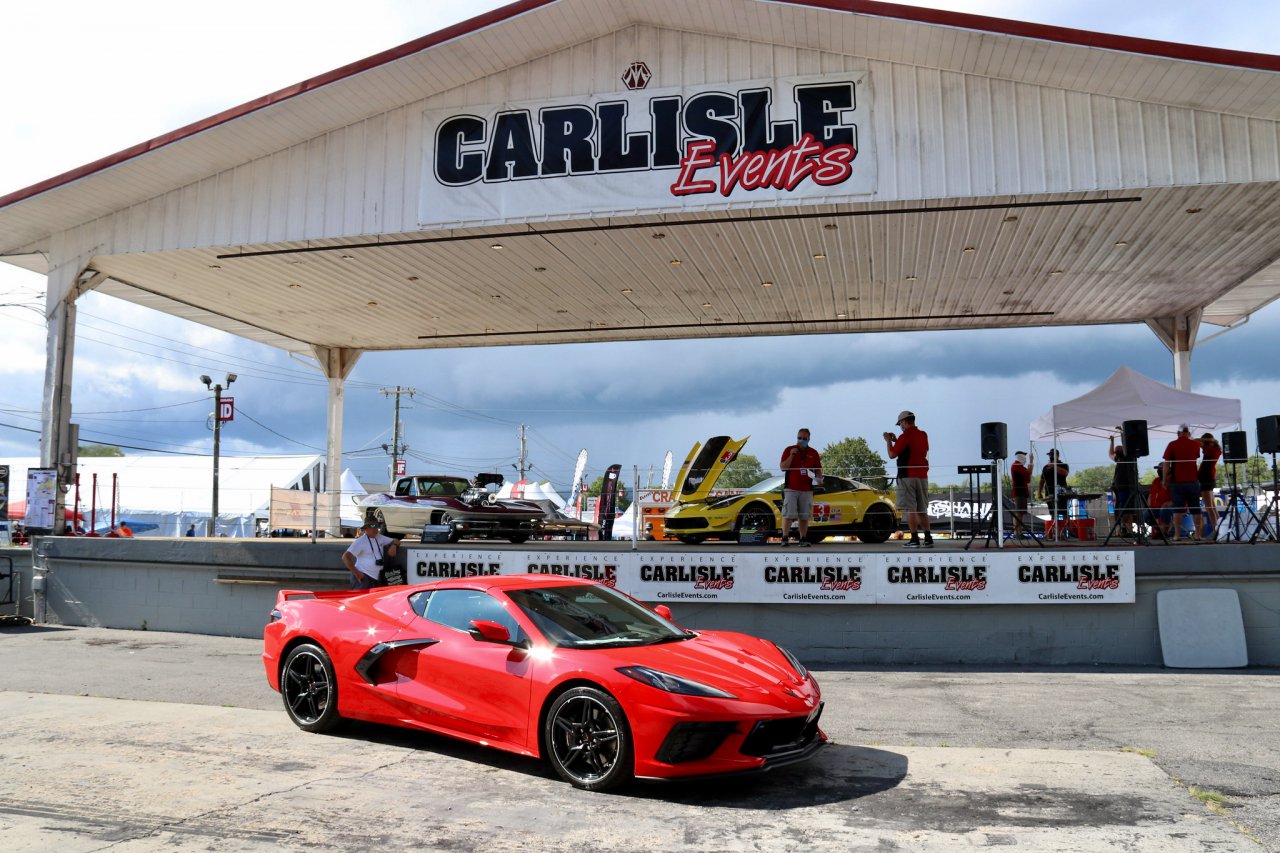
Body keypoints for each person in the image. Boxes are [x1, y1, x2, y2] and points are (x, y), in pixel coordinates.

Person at [884, 411, 933, 548]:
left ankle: (914, 539)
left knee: (911, 508)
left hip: (907, 476)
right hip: (923, 475)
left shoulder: (905, 436)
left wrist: (889, 441)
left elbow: (892, 454)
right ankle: (928, 538)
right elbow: (920, 448)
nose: (900, 426)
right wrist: (897, 441)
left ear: (904, 422)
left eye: (900, 423)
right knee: (922, 509)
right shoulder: (923, 435)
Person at [780, 427, 823, 547]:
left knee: (804, 516)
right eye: (799, 438)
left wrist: (819, 479)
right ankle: (784, 538)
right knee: (788, 514)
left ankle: (803, 539)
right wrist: (792, 455)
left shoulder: (813, 452)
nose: (802, 440)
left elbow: (818, 469)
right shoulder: (789, 449)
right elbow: (783, 467)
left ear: (809, 439)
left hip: (807, 489)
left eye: (804, 438)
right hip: (791, 488)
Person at [1162, 424, 1202, 542]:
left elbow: (1166, 464)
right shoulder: (1195, 445)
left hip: (1177, 482)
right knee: (1196, 509)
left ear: (1178, 433)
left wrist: (1164, 479)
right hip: (1193, 481)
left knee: (1177, 510)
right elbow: (1196, 457)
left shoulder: (1172, 444)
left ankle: (1177, 535)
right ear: (1189, 433)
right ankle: (1198, 535)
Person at [343, 520, 398, 589]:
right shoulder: (360, 541)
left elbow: (396, 540)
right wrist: (357, 574)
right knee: (362, 599)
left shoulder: (380, 537)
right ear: (366, 528)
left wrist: (394, 546)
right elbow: (345, 557)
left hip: (377, 577)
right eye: (372, 526)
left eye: (377, 526)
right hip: (364, 576)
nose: (376, 529)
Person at [1109, 435, 1140, 538]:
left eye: (1119, 447)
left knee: (1127, 508)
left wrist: (1122, 435)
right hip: (1121, 488)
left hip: (1127, 487)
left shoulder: (1128, 457)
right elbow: (1111, 454)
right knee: (1123, 508)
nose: (1117, 449)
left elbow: (1125, 447)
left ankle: (1127, 529)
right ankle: (1125, 529)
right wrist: (1112, 441)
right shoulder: (1119, 458)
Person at [1036, 448, 1071, 538]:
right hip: (1049, 493)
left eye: (1053, 455)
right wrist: (1039, 492)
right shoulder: (1045, 467)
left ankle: (1064, 532)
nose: (1051, 456)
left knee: (1063, 512)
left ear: (1058, 456)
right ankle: (1054, 532)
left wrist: (1055, 466)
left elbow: (1065, 473)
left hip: (1062, 493)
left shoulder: (1063, 465)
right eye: (1050, 455)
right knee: (1052, 513)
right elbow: (1041, 480)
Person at [1199, 433, 1222, 539]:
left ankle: (1216, 531)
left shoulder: (1209, 449)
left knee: (1209, 506)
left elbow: (1194, 441)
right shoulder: (1216, 449)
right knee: (1212, 506)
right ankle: (1219, 529)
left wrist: (1205, 440)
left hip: (1206, 478)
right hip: (1209, 477)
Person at [1009, 450, 1032, 537]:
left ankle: (1020, 532)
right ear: (1019, 457)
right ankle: (1016, 532)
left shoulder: (1020, 467)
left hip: (1022, 492)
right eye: (1024, 457)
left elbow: (1028, 478)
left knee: (1021, 513)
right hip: (1018, 492)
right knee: (1018, 512)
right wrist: (1031, 463)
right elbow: (1028, 473)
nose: (1025, 459)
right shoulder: (1016, 466)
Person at [1148, 462, 1173, 537]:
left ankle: (1166, 531)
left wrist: (1169, 503)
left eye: (1161, 469)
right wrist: (1148, 505)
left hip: (1169, 507)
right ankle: (1159, 531)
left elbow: (1178, 497)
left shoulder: (1172, 481)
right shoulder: (1156, 481)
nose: (1159, 471)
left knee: (1164, 510)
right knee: (1146, 514)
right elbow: (1150, 495)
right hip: (1156, 507)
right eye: (1158, 469)